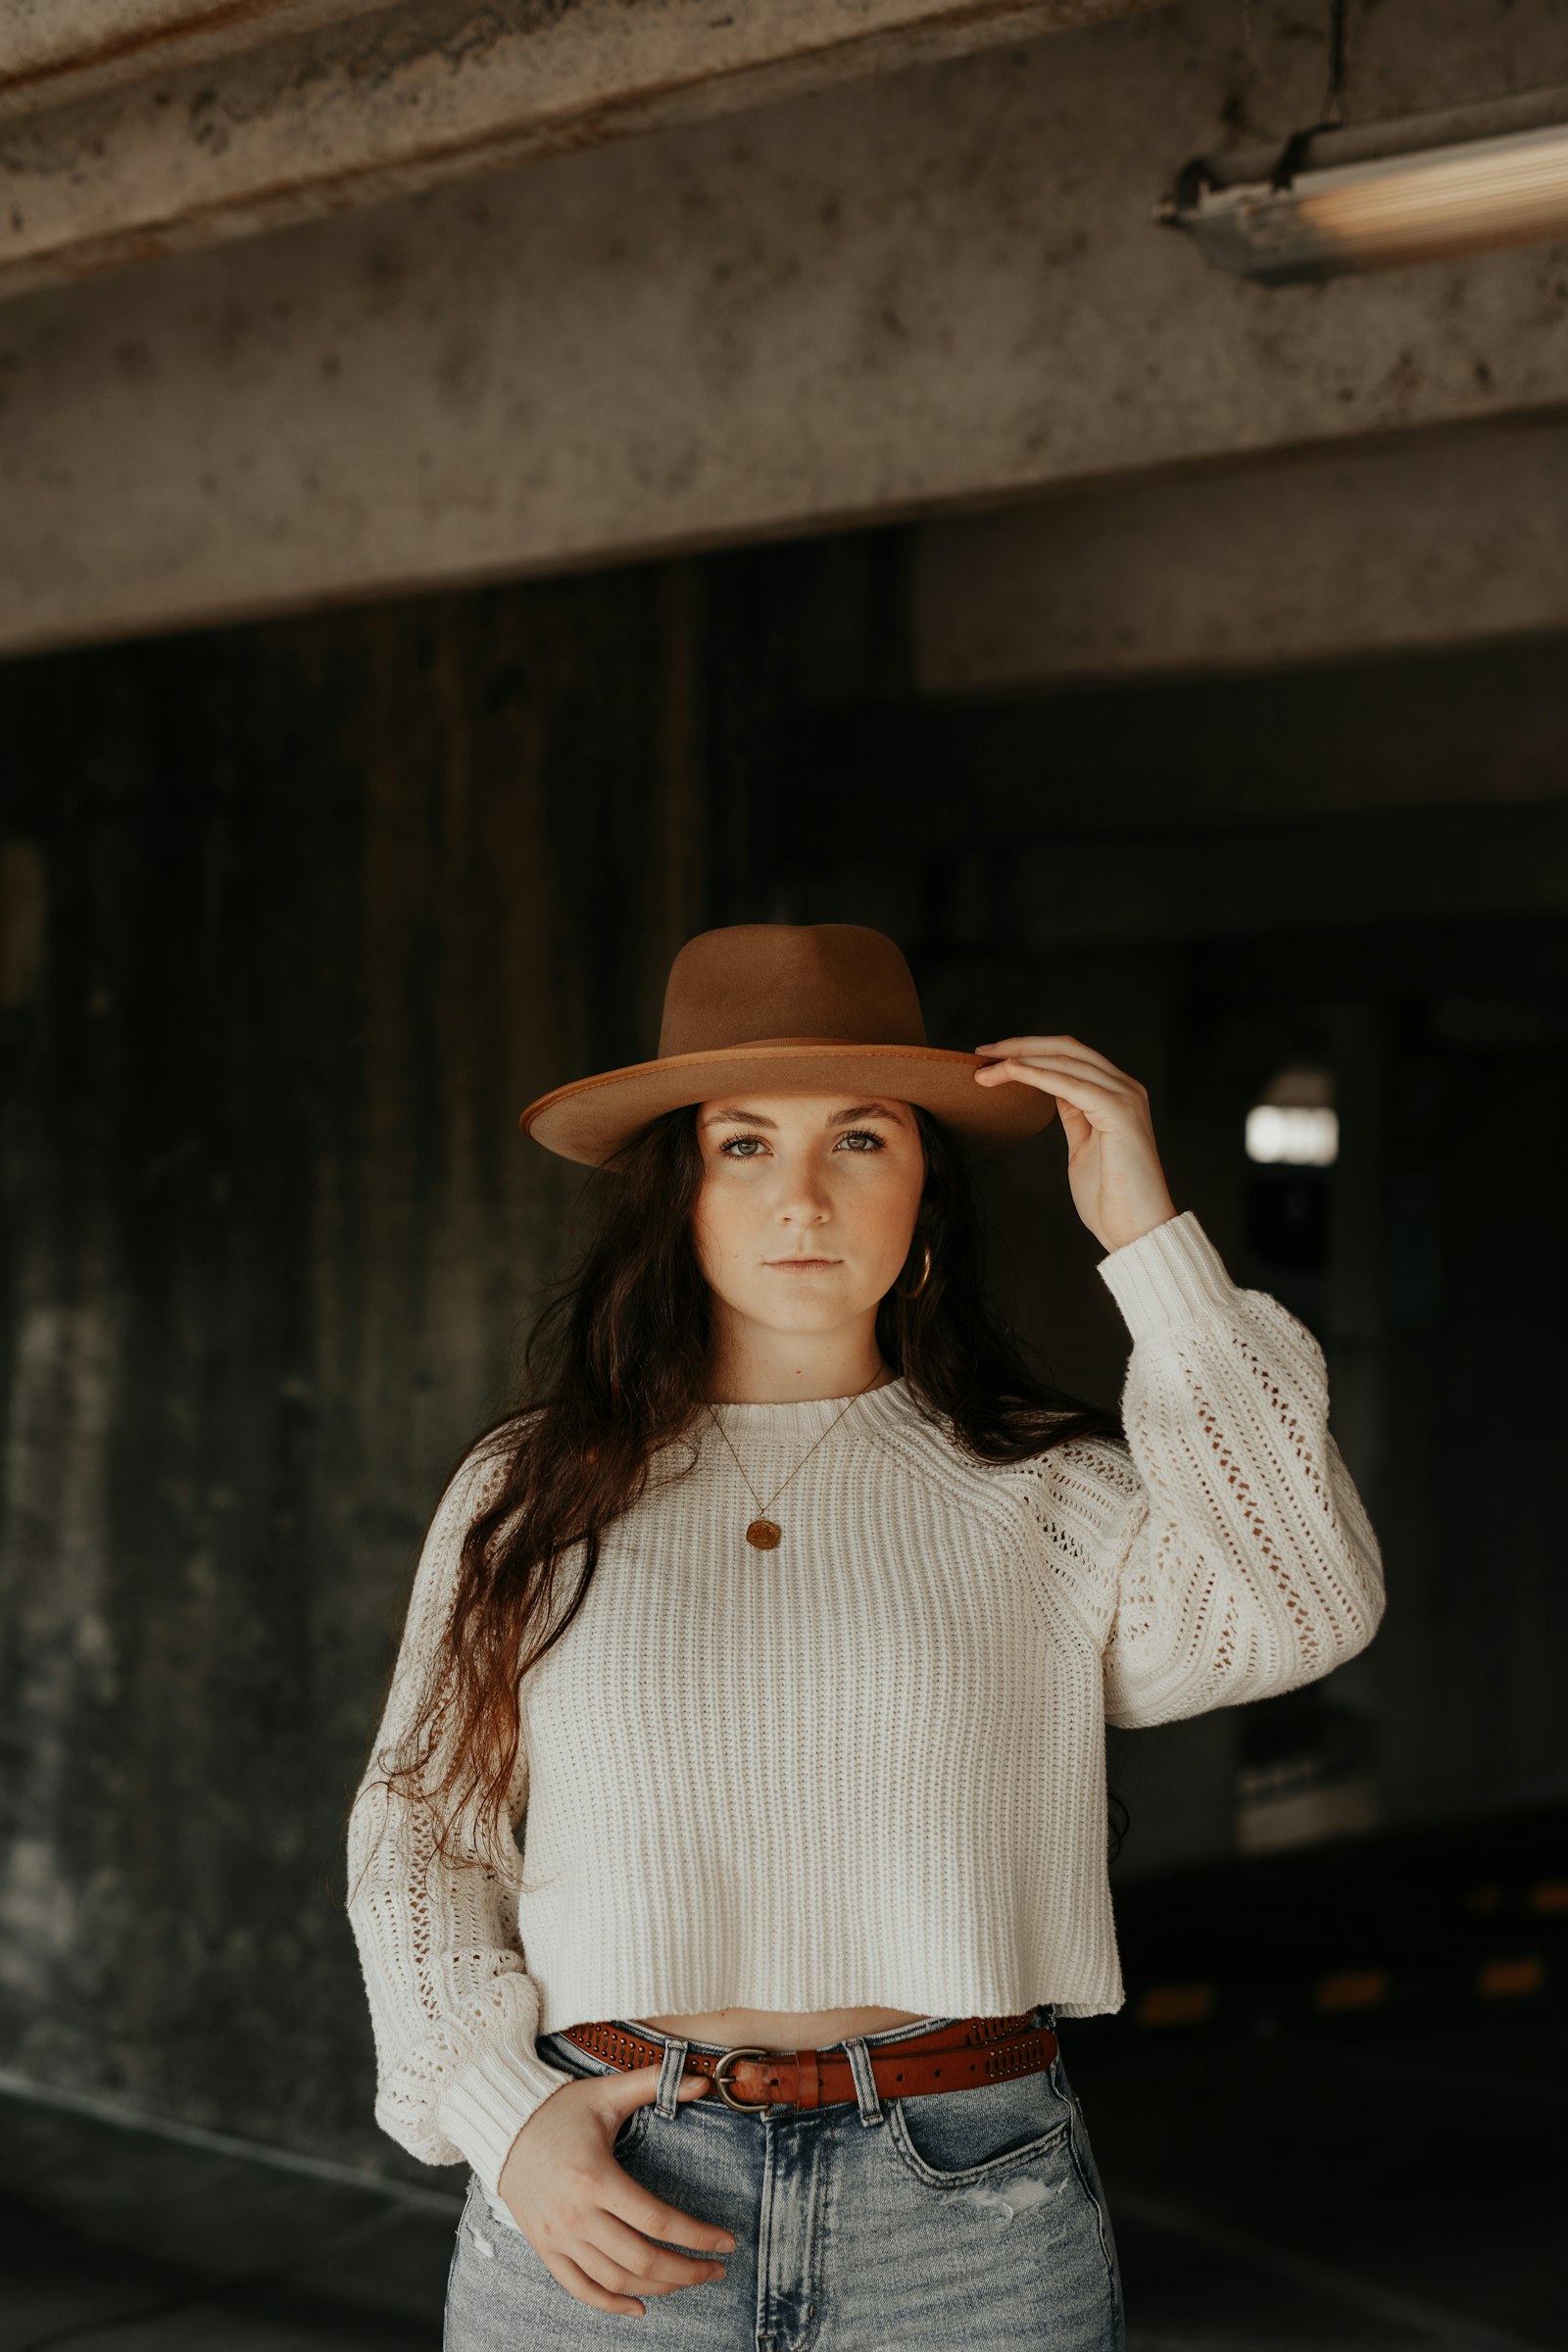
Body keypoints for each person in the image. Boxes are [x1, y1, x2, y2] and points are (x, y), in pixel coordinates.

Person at [345, 921, 1386, 2351]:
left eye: (862, 1141)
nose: (805, 1199)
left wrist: (1153, 1246)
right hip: (606, 2187)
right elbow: (421, 1832)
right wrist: (497, 2118)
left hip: (968, 2212)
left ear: (927, 1195)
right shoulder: (530, 1494)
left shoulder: (1047, 1493)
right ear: (679, 1188)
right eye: (743, 1145)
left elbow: (1304, 1598)